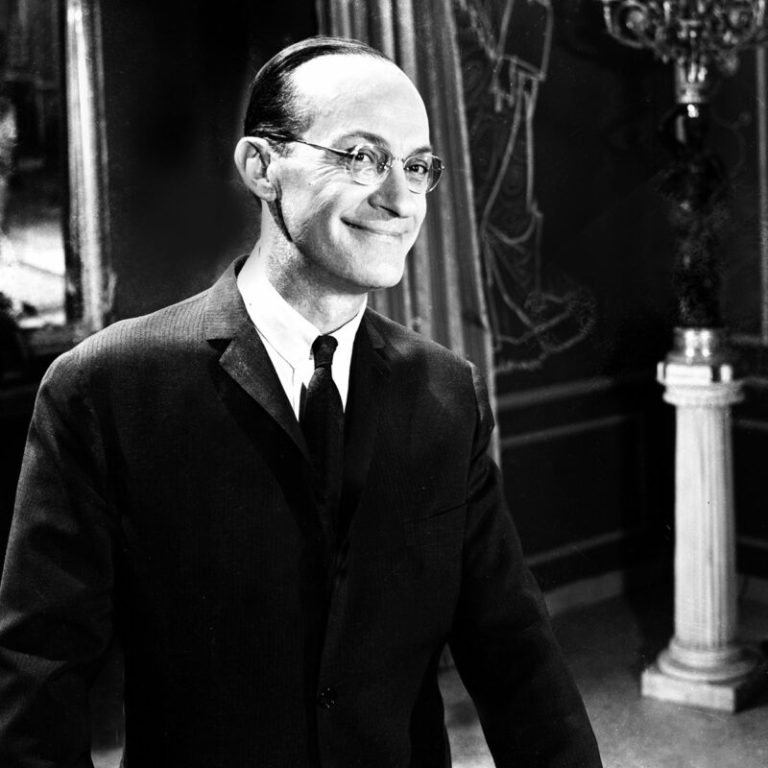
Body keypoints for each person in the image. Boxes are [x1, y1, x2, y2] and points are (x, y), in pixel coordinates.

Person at [0, 36, 602, 767]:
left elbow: (518, 657)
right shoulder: (104, 388)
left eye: (416, 166)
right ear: (262, 167)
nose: (400, 201)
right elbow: (38, 690)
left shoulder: (446, 392)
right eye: (361, 157)